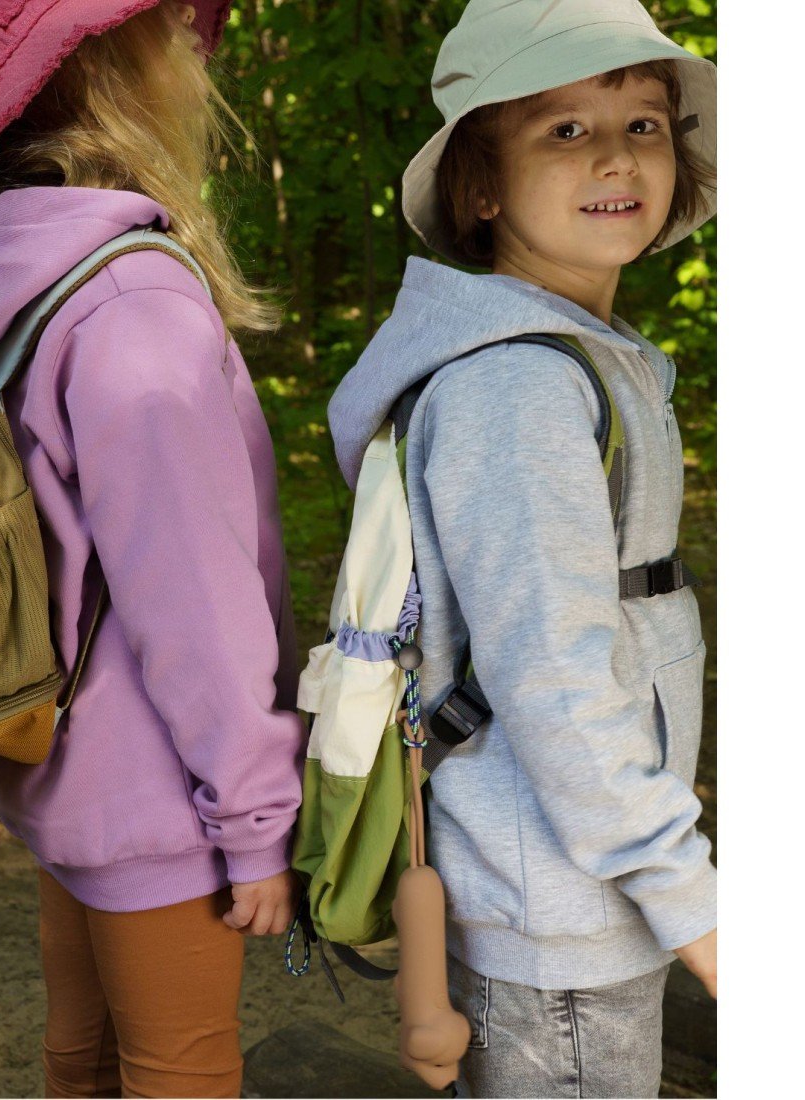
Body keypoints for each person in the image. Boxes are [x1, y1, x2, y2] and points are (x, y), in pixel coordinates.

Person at [0, 2, 305, 1097]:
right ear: (113, 67)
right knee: (180, 1073)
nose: (196, 50)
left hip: (50, 765)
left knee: (79, 1064)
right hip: (160, 797)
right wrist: (253, 816)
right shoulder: (132, 302)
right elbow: (194, 603)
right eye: (170, 28)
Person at [326, 1, 717, 1095]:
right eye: (561, 128)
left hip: (569, 882)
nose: (614, 154)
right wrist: (686, 895)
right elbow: (551, 672)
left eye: (644, 124)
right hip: (559, 917)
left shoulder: (579, 361)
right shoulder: (516, 387)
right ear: (480, 186)